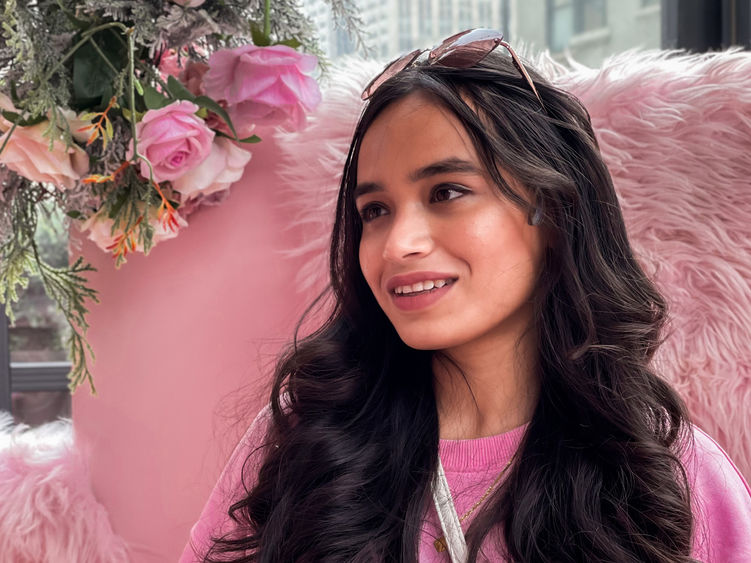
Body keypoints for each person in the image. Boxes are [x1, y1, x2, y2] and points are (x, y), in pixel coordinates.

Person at [181, 29, 751, 562]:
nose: (397, 244)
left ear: (552, 212)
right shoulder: (308, 441)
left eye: (447, 192)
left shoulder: (672, 477)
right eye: (374, 211)